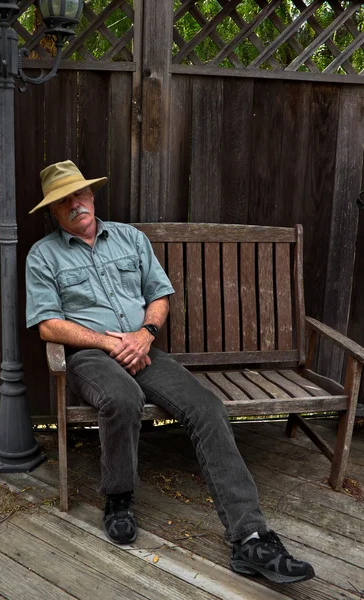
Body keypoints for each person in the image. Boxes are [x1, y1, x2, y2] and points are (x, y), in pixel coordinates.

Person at [26, 160, 315, 585]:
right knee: (121, 399)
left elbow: (159, 294)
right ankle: (119, 498)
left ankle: (250, 537)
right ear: (53, 210)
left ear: (92, 195)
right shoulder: (43, 255)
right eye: (64, 200)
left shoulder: (130, 239)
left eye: (80, 194)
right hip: (91, 356)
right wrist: (110, 342)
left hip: (144, 349)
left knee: (207, 408)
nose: (75, 203)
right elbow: (47, 324)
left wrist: (144, 335)